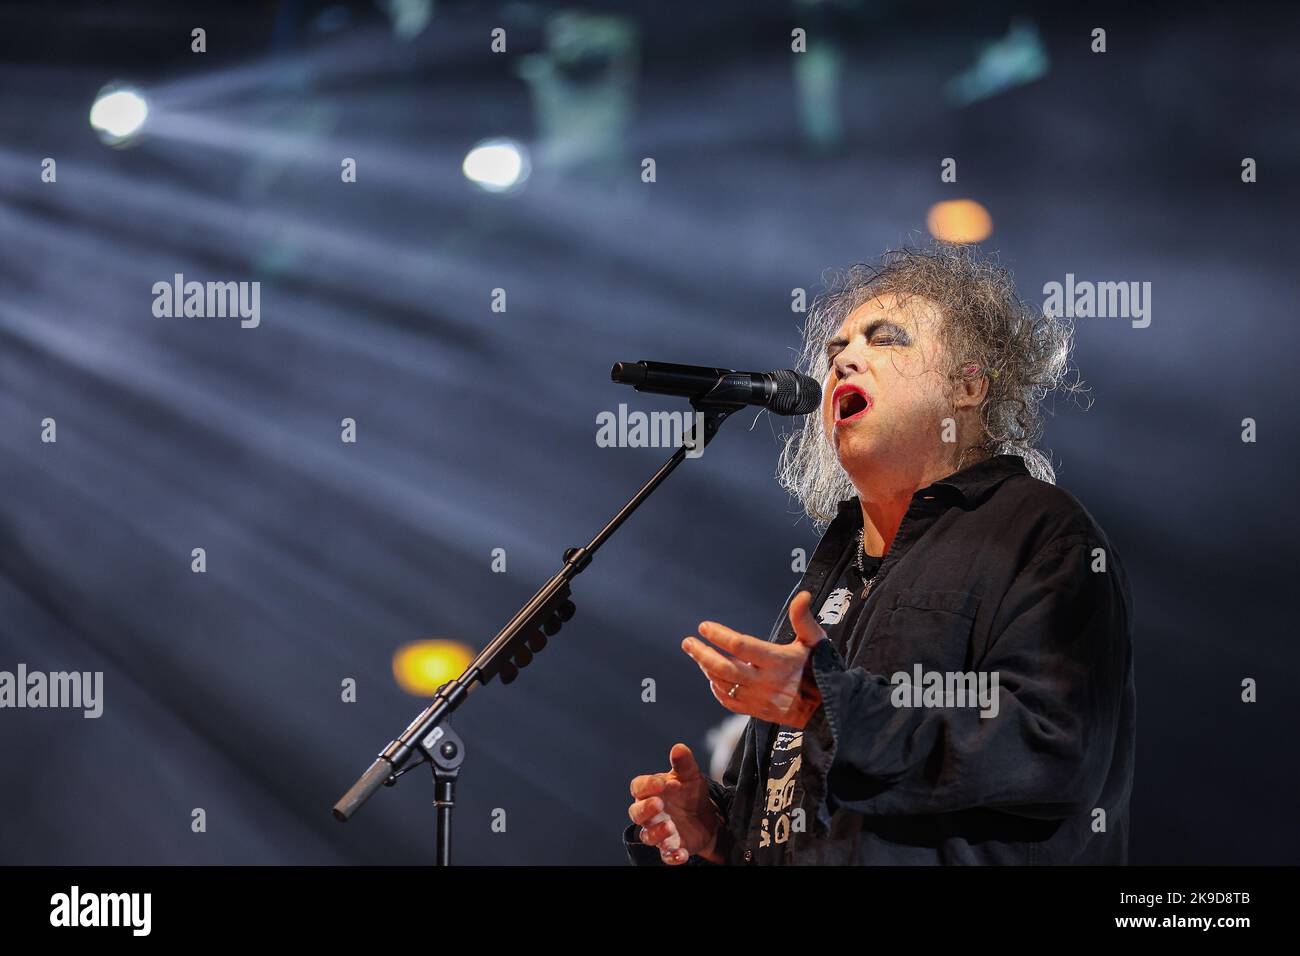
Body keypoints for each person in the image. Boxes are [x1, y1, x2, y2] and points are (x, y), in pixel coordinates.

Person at [625, 242, 1135, 865]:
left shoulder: (1041, 531)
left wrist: (834, 708)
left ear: (968, 385)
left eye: (885, 338)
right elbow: (800, 811)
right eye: (835, 350)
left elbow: (1050, 747)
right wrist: (716, 834)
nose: (843, 360)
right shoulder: (833, 569)